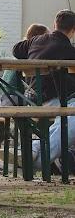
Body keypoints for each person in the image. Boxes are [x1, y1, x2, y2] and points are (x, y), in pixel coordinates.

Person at [26, 10, 75, 173]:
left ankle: (31, 150)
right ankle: (37, 161)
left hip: (29, 99)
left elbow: (16, 49)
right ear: (73, 30)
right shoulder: (68, 49)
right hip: (51, 100)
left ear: (55, 24)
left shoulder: (36, 41)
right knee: (71, 115)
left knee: (68, 115)